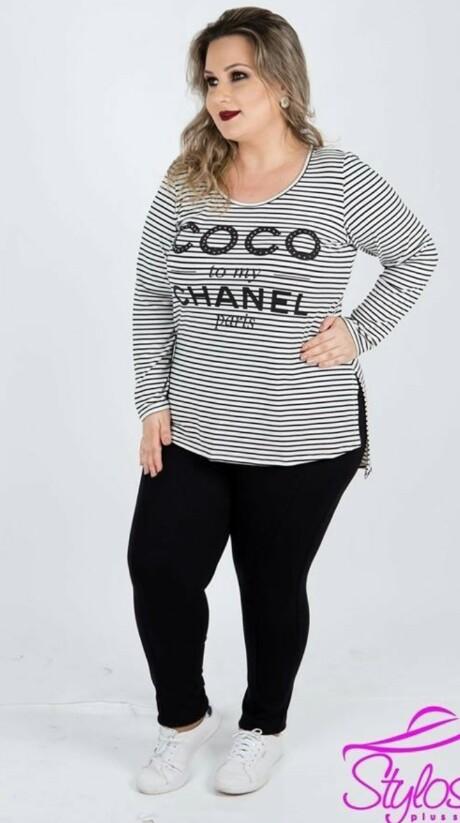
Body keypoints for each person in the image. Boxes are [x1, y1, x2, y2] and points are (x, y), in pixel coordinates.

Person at [126, 6, 438, 797]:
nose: (221, 95)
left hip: (302, 434)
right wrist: (150, 399)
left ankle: (263, 726)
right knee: (159, 568)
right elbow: (153, 294)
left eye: (238, 75)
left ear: (282, 82)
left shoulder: (339, 179)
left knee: (269, 587)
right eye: (210, 80)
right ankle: (182, 721)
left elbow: (416, 253)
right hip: (194, 424)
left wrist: (359, 330)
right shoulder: (187, 179)